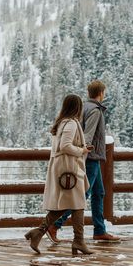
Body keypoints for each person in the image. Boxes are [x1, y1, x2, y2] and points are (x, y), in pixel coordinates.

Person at [47, 80, 121, 243]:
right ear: (101, 93)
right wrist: (84, 153)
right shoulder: (95, 110)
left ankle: (100, 230)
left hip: (90, 157)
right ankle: (54, 225)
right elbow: (87, 136)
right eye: (104, 92)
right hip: (91, 157)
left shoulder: (84, 108)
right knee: (82, 194)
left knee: (98, 193)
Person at [25, 94, 93, 255]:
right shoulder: (71, 124)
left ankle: (39, 232)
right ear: (78, 108)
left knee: (72, 203)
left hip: (63, 167)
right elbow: (65, 146)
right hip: (70, 169)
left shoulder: (62, 122)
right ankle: (78, 241)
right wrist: (81, 150)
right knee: (78, 203)